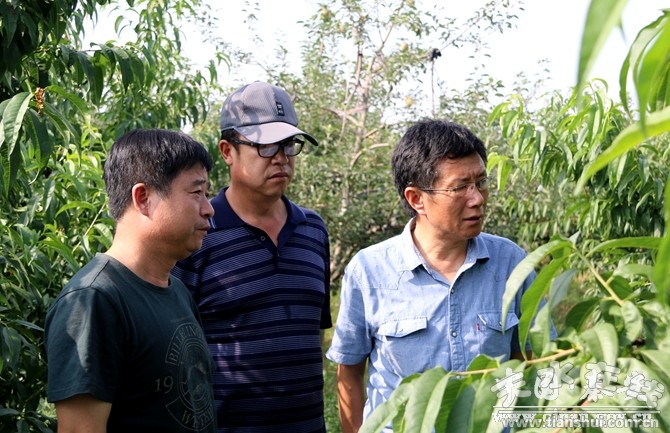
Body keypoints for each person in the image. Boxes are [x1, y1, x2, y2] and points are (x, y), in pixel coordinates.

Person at [326, 119, 552, 433]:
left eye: (481, 182)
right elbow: (349, 372)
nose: (477, 198)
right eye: (460, 187)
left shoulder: (510, 262)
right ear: (416, 198)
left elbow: (531, 357)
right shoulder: (369, 271)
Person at [172, 81, 332, 433]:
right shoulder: (198, 233)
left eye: (288, 144)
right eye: (265, 145)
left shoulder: (313, 230)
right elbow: (174, 351)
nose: (281, 157)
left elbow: (312, 335)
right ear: (227, 151)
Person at [45, 129, 217, 433]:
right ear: (143, 198)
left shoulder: (176, 290)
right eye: (196, 193)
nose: (209, 208)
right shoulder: (92, 300)